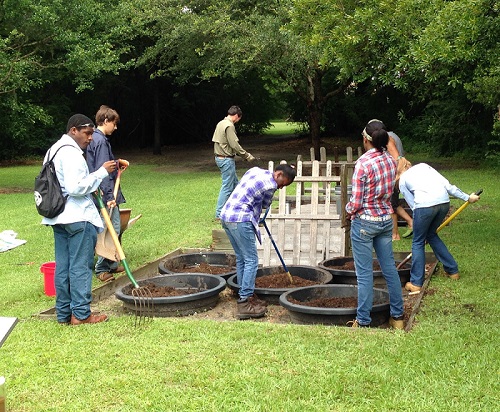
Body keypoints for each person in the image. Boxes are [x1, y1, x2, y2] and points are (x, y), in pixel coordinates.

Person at [41, 114, 117, 325]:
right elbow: (75, 187)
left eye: (92, 133)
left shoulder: (53, 150)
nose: (90, 138)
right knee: (80, 266)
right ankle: (82, 314)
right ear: (73, 130)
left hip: (58, 217)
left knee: (63, 266)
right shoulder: (72, 153)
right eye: (87, 133)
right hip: (77, 217)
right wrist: (101, 173)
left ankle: (63, 313)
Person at [345, 120, 405, 329]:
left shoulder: (363, 163)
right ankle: (398, 317)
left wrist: (348, 210)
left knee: (364, 274)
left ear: (365, 139)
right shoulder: (390, 160)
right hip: (386, 221)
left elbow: (356, 200)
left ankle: (362, 321)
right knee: (389, 269)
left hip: (364, 223)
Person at [220, 164, 296, 319]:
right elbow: (266, 204)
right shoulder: (270, 184)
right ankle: (244, 304)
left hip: (227, 216)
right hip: (240, 219)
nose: (280, 188)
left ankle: (244, 296)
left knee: (242, 258)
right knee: (252, 260)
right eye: (282, 184)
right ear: (278, 174)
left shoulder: (256, 171)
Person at [397, 161, 480, 292]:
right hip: (444, 203)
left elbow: (413, 204)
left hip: (424, 207)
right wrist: (467, 197)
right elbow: (447, 185)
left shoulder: (402, 180)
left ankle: (416, 283)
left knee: (418, 241)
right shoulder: (425, 166)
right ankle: (452, 271)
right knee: (431, 235)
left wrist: (420, 224)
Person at [86, 105, 127, 282]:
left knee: (113, 228)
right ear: (105, 121)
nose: (115, 127)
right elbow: (102, 171)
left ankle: (110, 264)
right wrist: (109, 197)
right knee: (111, 229)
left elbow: (103, 163)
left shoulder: (93, 138)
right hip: (104, 194)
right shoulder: (100, 141)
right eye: (114, 123)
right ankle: (102, 268)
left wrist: (117, 163)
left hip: (100, 191)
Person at [368, 119, 414, 240]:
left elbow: (395, 154)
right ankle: (410, 222)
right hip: (399, 172)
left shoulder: (388, 138)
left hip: (395, 173)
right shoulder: (394, 135)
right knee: (393, 203)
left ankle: (395, 234)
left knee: (391, 205)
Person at [213, 105, 255, 219]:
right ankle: (219, 213)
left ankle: (237, 208)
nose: (238, 121)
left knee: (236, 185)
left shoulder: (221, 123)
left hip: (220, 157)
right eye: (239, 119)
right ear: (236, 115)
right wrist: (247, 156)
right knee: (227, 186)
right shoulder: (229, 125)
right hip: (226, 159)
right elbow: (234, 144)